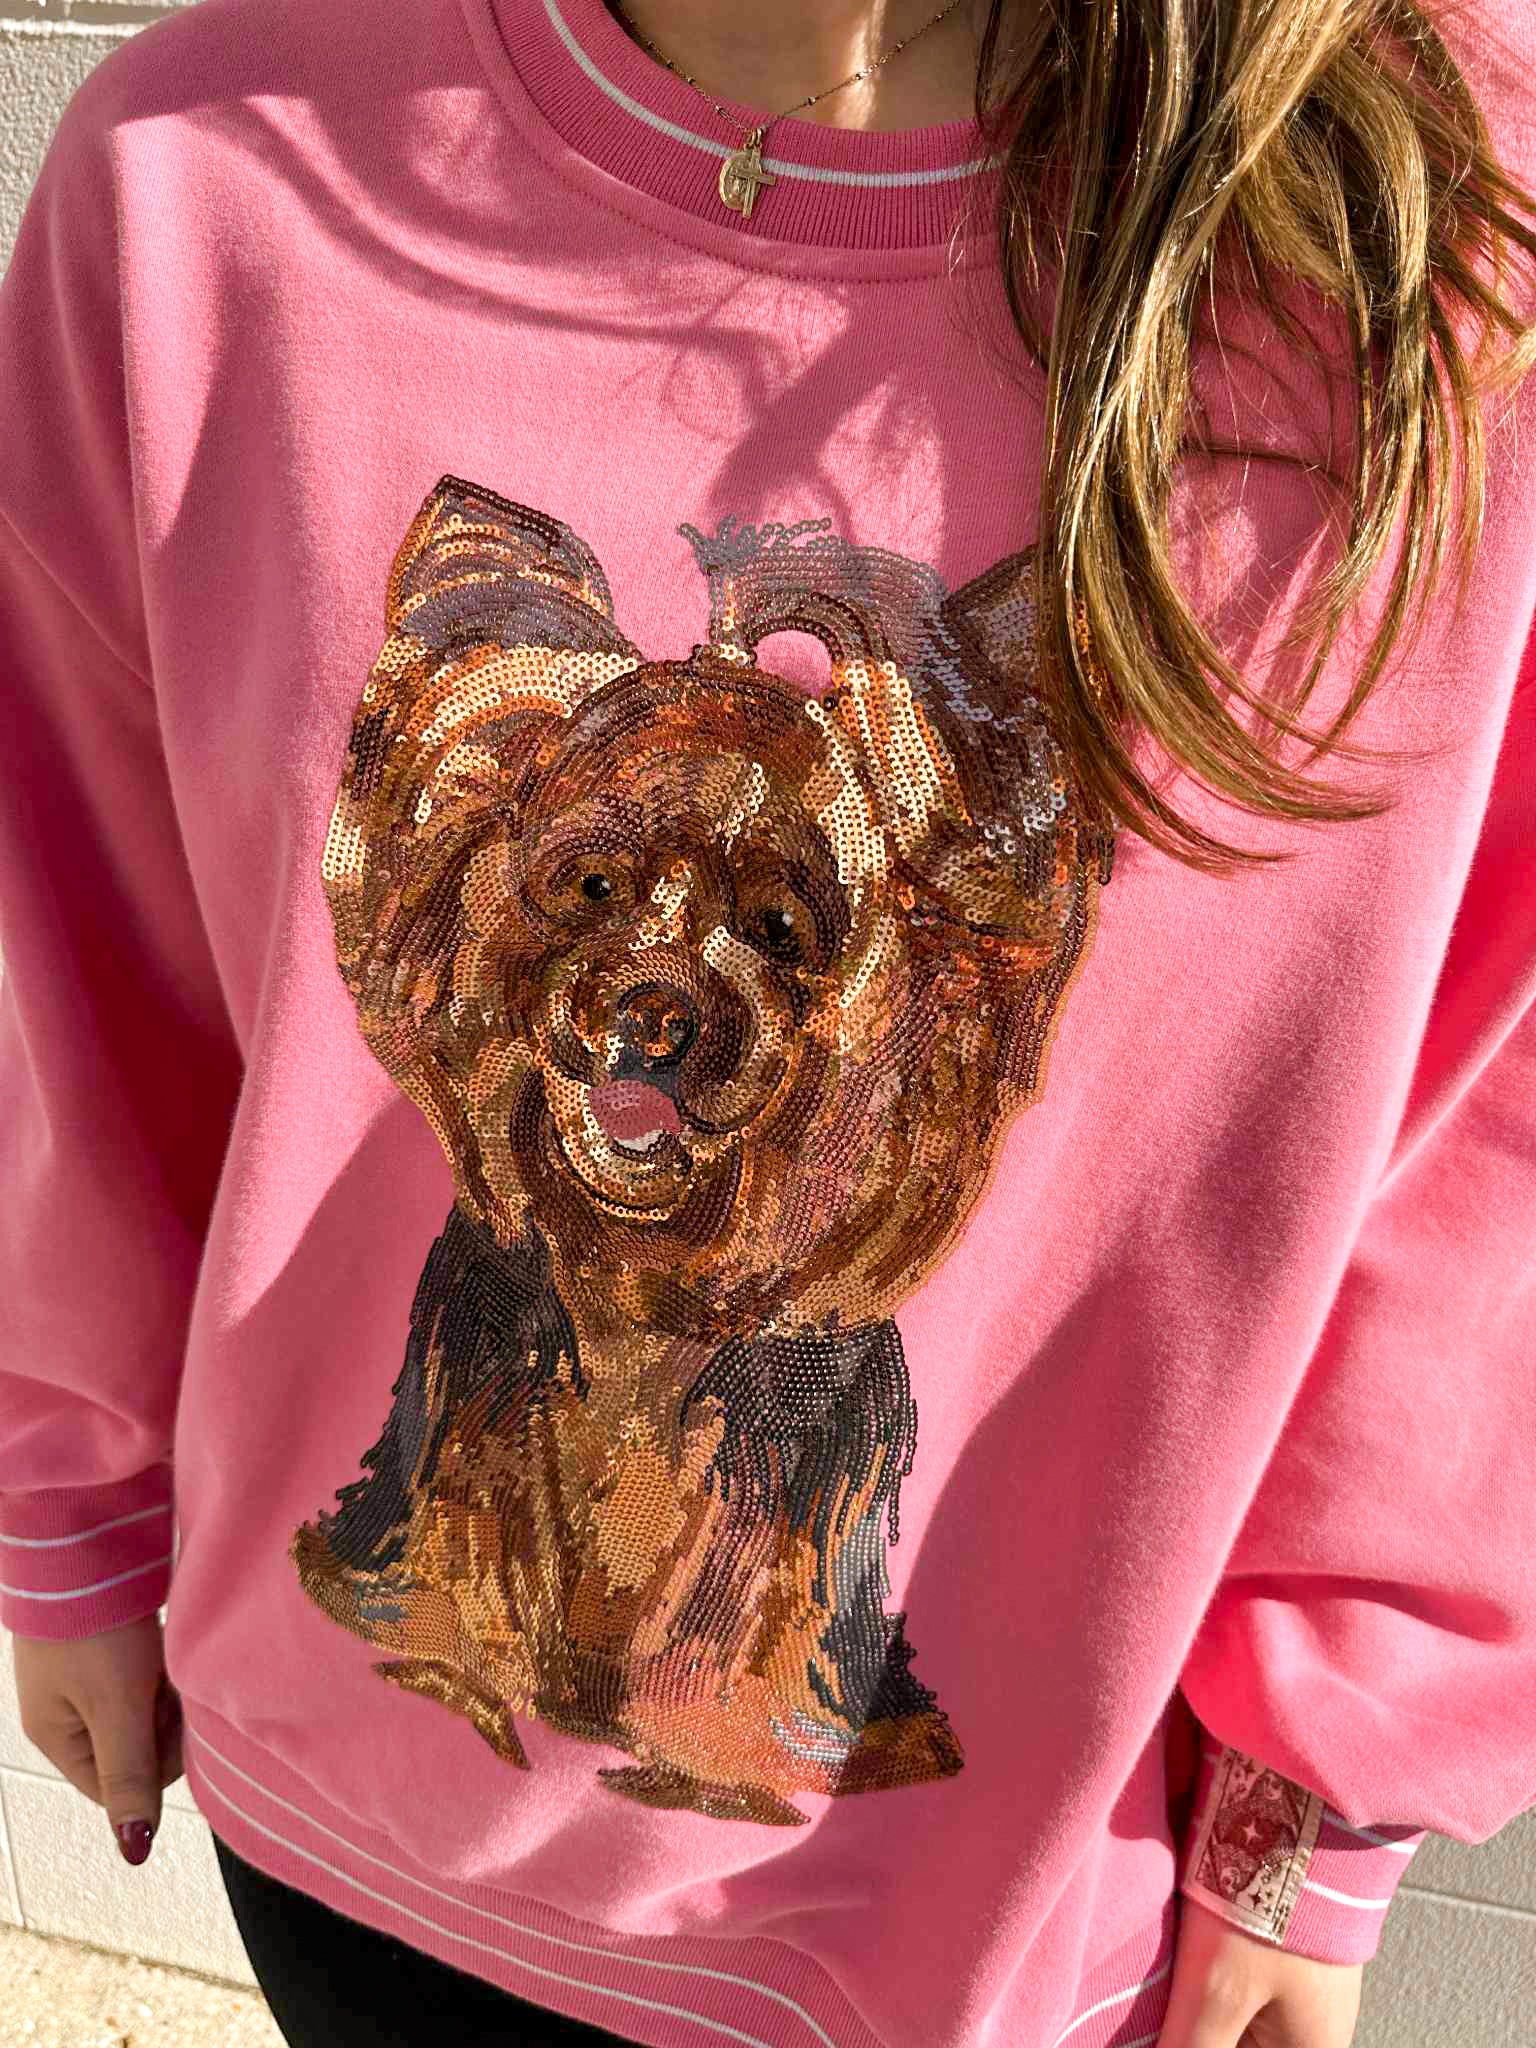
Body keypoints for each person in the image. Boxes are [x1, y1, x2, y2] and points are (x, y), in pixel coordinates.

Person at [2, 0, 1534, 2043]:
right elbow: (79, 962)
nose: (661, 990)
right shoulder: (201, 179)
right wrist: (70, 1501)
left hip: (997, 1943)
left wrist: (1319, 1790)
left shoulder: (1447, 244)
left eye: (779, 931)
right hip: (331, 1830)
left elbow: (1485, 1123)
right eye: (591, 897)